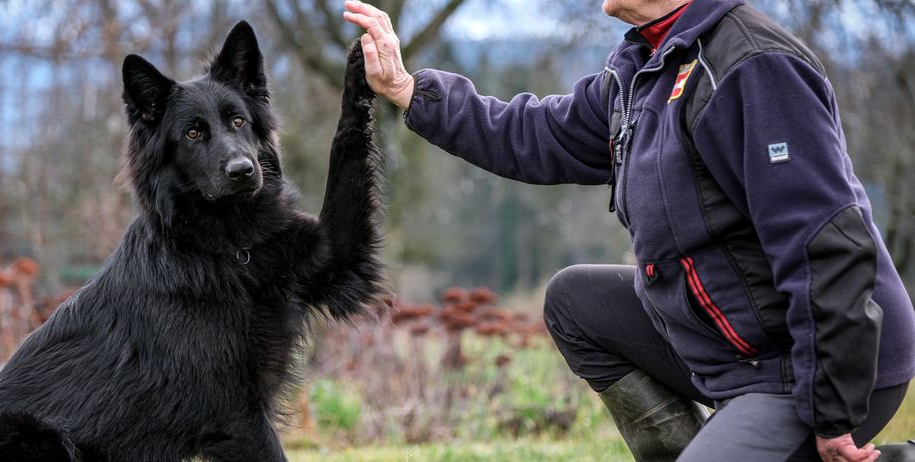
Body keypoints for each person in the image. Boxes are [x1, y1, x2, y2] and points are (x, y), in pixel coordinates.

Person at [343, 0, 915, 460]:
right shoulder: (643, 70)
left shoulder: (752, 66)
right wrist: (408, 91)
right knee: (575, 301)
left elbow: (825, 245)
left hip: (816, 363)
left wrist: (833, 407)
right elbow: (537, 134)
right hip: (734, 348)